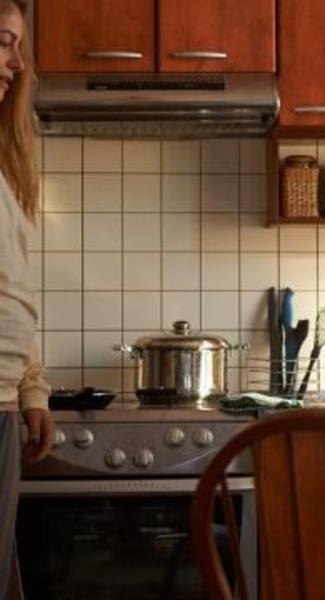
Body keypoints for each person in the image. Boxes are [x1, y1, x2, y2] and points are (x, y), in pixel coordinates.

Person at [0, 2, 54, 599]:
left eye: (17, 46)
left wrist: (31, 389)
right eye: (2, 43)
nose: (17, 64)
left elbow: (12, 290)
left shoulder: (2, 170)